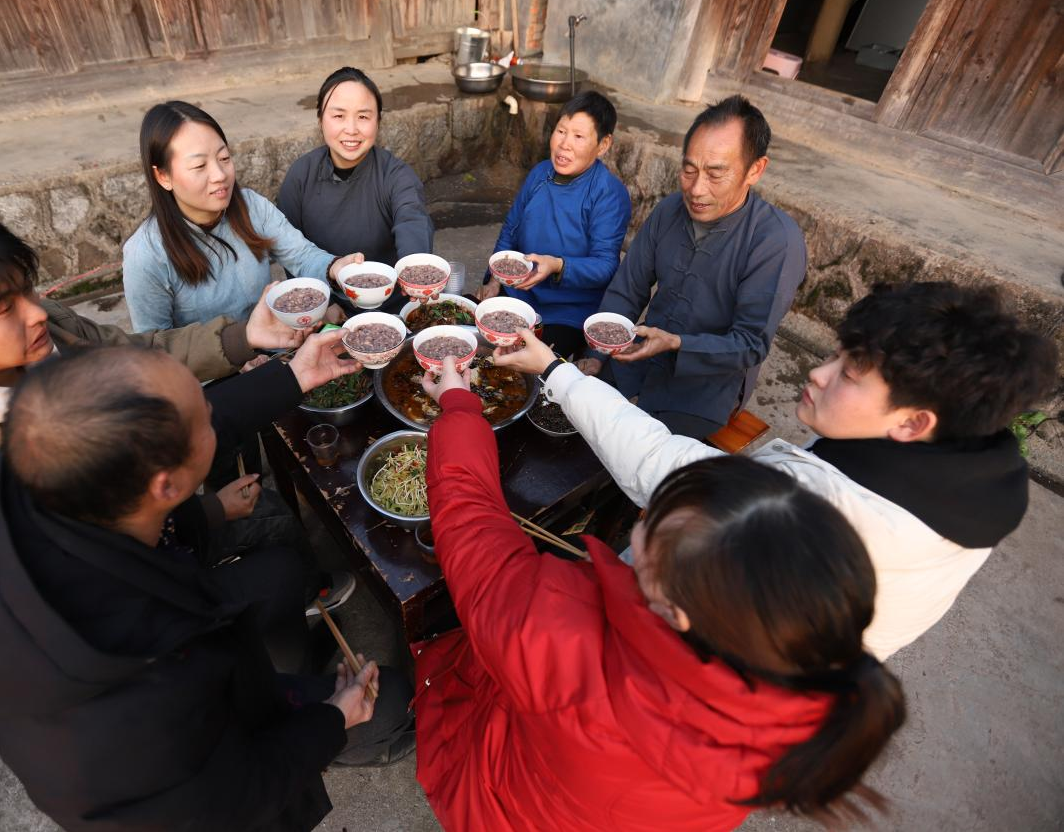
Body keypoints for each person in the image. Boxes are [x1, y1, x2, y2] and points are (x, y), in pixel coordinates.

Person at [0, 343, 416, 832]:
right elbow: (233, 801)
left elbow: (169, 435)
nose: (215, 416)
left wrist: (292, 377)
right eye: (204, 415)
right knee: (391, 701)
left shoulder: (34, 474)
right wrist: (332, 720)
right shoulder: (134, 702)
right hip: (219, 794)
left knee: (279, 575)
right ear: (164, 486)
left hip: (219, 697)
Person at [413, 355, 904, 831]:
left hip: (506, 805)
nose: (642, 523)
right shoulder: (800, 697)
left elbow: (468, 517)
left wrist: (458, 405)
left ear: (676, 609)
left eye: (656, 523)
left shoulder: (556, 633)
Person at [495, 281, 1058, 659]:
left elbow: (663, 469)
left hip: (715, 654)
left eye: (850, 372)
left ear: (913, 422)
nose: (817, 373)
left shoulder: (819, 515)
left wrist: (556, 371)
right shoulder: (971, 478)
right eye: (836, 353)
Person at [0, 207, 305, 538]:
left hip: (163, 511)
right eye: (4, 307)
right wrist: (205, 513)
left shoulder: (43, 323)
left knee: (277, 520)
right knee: (274, 563)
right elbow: (78, 563)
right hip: (143, 570)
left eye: (28, 289)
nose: (36, 313)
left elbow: (135, 355)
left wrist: (246, 336)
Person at [584, 94, 806, 440]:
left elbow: (749, 343)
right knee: (578, 418)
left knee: (635, 458)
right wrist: (597, 353)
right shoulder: (670, 209)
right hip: (638, 357)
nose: (696, 190)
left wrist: (675, 344)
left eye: (716, 174)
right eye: (689, 170)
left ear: (755, 170)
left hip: (703, 391)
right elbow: (628, 288)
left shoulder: (775, 240)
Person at [123, 100, 363, 332]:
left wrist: (334, 267)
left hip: (275, 350)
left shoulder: (251, 206)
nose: (219, 174)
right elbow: (154, 348)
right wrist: (230, 357)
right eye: (199, 166)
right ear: (163, 176)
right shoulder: (145, 255)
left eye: (224, 158)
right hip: (210, 373)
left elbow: (301, 255)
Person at [477, 90, 631, 357]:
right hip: (520, 293)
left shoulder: (608, 194)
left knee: (528, 365)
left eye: (579, 137)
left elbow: (606, 265)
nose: (564, 144)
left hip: (568, 311)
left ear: (603, 145)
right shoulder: (540, 173)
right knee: (466, 328)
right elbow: (510, 230)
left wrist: (558, 265)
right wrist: (495, 280)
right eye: (561, 131)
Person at [278, 67, 434, 313]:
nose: (351, 129)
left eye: (363, 117)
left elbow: (412, 219)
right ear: (320, 119)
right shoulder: (301, 175)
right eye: (338, 116)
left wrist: (414, 271)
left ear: (378, 121)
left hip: (394, 306)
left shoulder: (395, 174)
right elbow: (289, 247)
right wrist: (321, 305)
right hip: (327, 309)